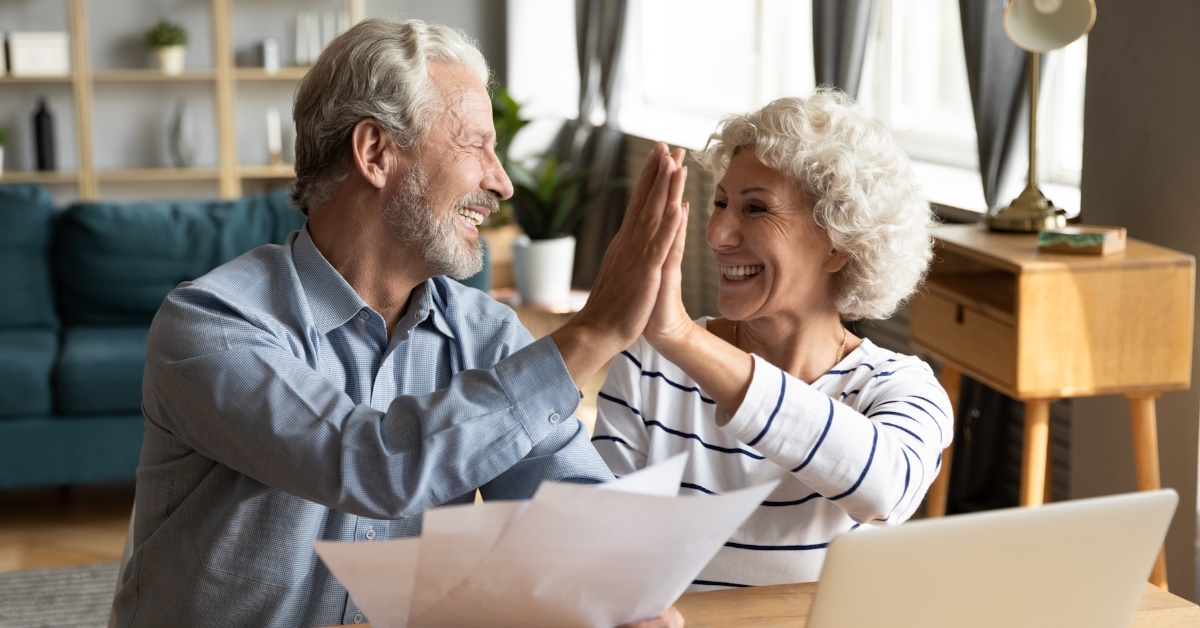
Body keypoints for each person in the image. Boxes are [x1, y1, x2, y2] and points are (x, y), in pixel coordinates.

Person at [112, 18, 687, 627]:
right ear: (375, 153)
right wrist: (589, 333)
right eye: (475, 145)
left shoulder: (484, 336)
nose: (502, 182)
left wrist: (627, 584)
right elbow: (371, 464)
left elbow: (569, 507)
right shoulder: (212, 324)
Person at [591, 88, 954, 591]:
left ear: (838, 244)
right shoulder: (653, 362)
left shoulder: (899, 387)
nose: (718, 233)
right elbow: (600, 546)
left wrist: (682, 338)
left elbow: (885, 489)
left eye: (756, 209)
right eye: (720, 203)